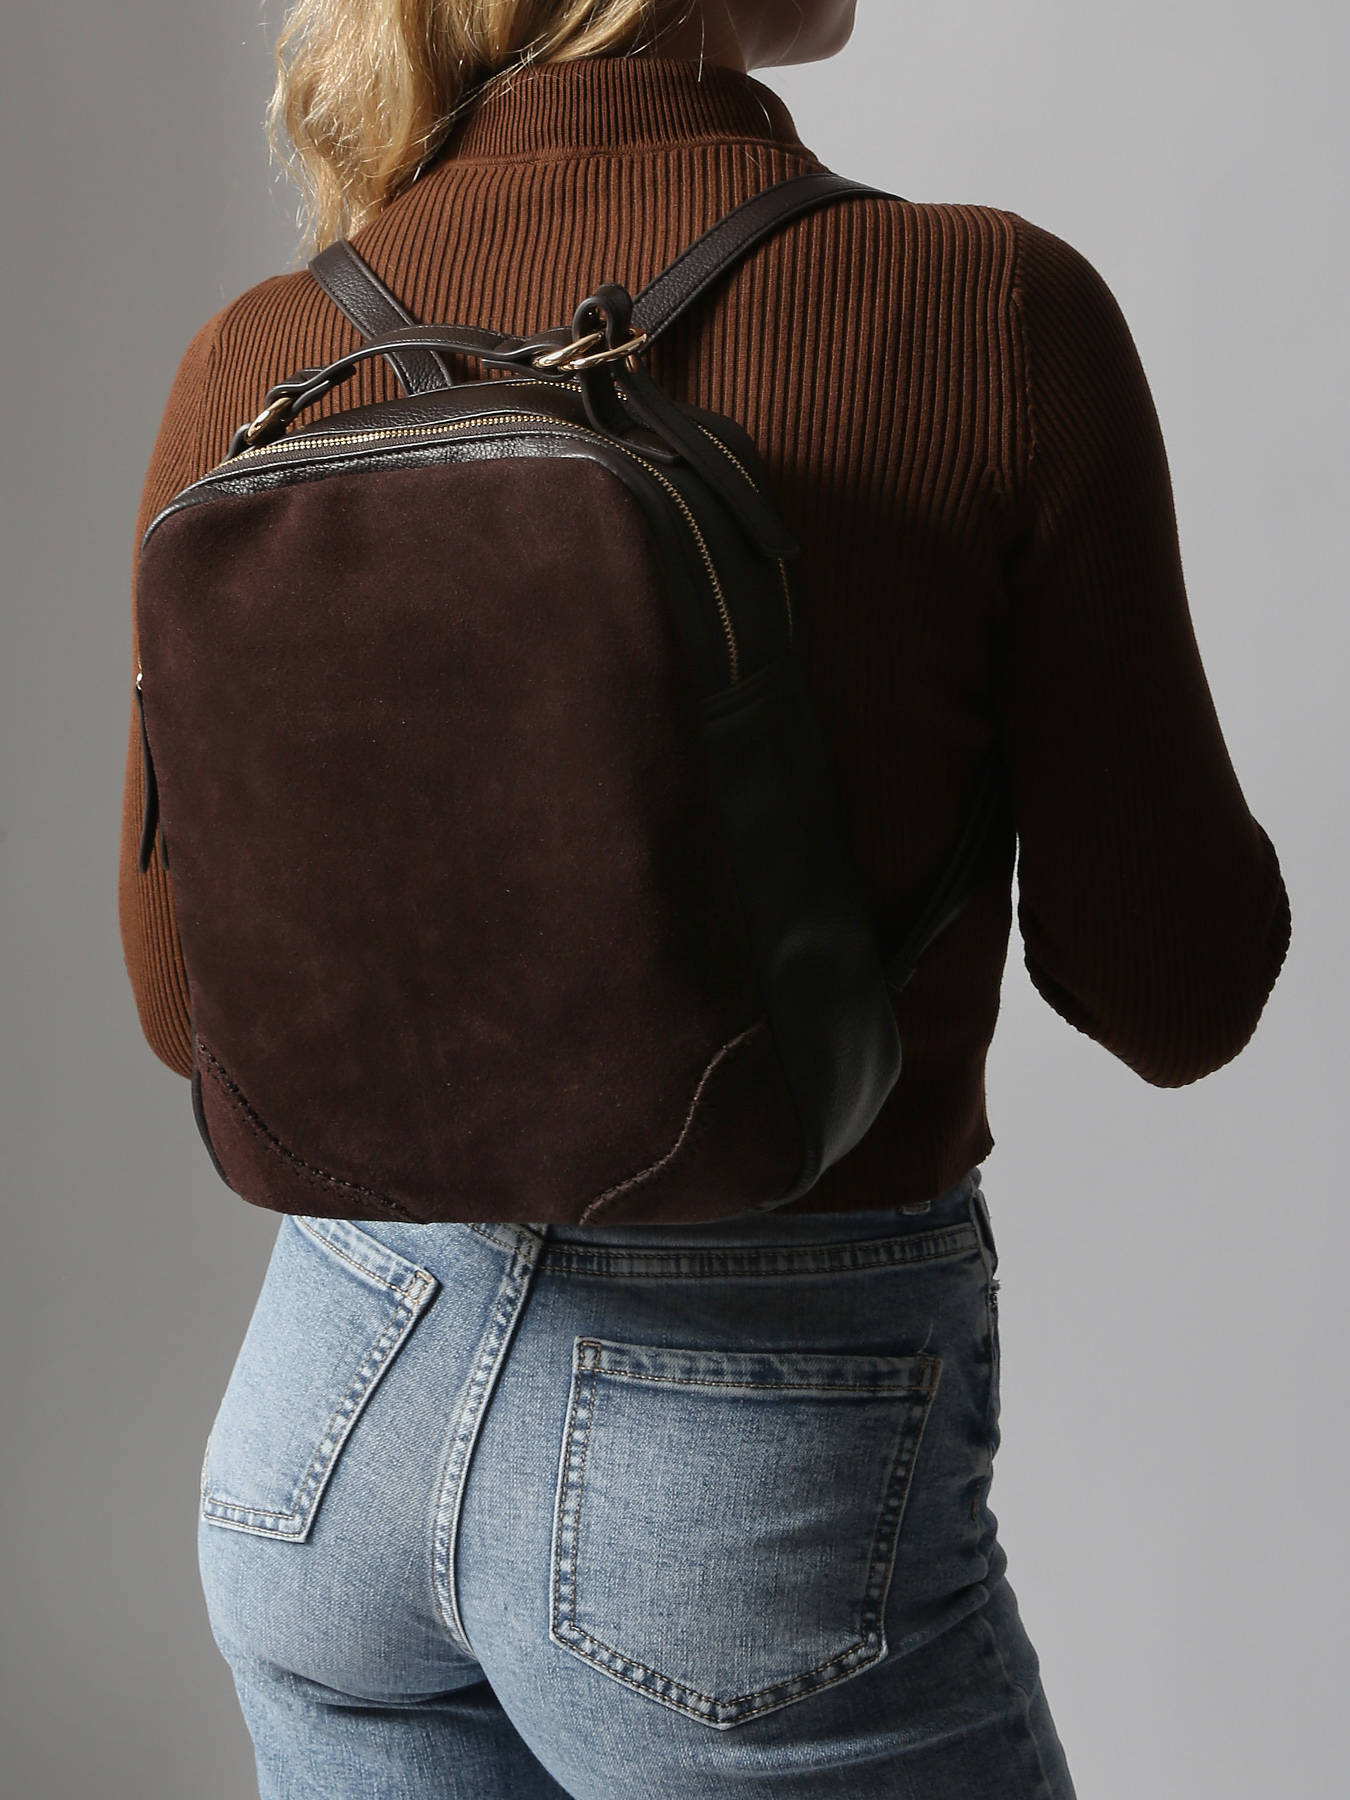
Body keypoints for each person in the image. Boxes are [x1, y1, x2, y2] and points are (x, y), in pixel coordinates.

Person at [118, 3, 1290, 1795]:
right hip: (743, 1467)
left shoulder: (264, 348)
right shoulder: (986, 308)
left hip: (325, 1423)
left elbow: (180, 1011)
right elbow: (1177, 994)